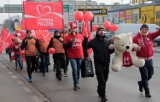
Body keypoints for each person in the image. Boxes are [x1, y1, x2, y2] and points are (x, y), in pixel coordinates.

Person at [84, 26, 114, 102]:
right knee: (102, 80)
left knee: (105, 79)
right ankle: (103, 96)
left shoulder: (107, 41)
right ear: (97, 32)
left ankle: (99, 89)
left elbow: (110, 52)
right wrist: (86, 38)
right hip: (98, 64)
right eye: (100, 30)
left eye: (102, 30)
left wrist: (112, 49)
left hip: (106, 63)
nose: (101, 32)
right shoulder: (94, 41)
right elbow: (86, 46)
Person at [133, 24, 160, 98]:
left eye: (146, 29)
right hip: (141, 60)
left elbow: (158, 32)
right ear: (140, 30)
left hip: (150, 59)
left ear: (148, 30)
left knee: (150, 74)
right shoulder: (136, 38)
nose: (144, 30)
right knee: (144, 76)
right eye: (143, 29)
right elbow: (131, 47)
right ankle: (147, 91)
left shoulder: (151, 35)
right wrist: (135, 48)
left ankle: (141, 83)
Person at [63, 25, 84, 91]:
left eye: (75, 28)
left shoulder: (80, 36)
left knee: (78, 70)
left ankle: (77, 82)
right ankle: (75, 84)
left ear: (76, 29)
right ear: (70, 29)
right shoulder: (67, 37)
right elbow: (65, 46)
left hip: (79, 56)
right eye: (72, 28)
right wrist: (70, 42)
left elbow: (84, 45)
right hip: (72, 56)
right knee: (74, 69)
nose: (73, 29)